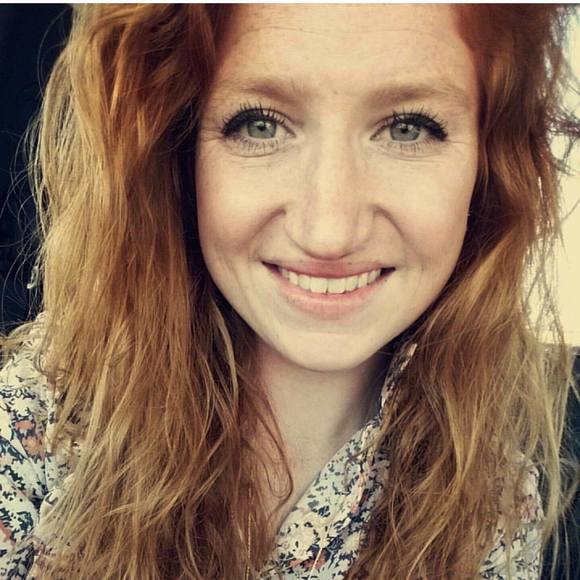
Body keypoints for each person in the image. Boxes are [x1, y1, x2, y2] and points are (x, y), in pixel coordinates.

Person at [0, 4, 578, 579]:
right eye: (261, 124)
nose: (329, 232)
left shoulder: (498, 504)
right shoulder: (36, 424)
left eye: (407, 127)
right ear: (176, 150)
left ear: (489, 161)